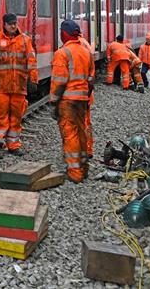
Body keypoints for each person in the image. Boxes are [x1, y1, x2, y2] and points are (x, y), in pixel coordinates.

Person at [0, 13, 38, 159]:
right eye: (10, 24)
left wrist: (33, 80)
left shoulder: (25, 40)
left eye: (15, 23)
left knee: (17, 116)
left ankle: (13, 145)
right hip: (1, 85)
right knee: (1, 115)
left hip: (19, 86)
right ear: (4, 24)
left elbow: (31, 62)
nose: (13, 26)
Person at [51, 20, 95, 183]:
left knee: (69, 134)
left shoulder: (62, 53)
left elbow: (59, 81)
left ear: (64, 33)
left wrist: (54, 102)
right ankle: (84, 168)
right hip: (82, 99)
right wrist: (85, 95)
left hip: (67, 101)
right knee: (81, 131)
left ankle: (74, 172)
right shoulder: (86, 51)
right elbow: (91, 79)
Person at [77, 33, 95, 162]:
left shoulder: (73, 46)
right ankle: (88, 150)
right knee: (86, 122)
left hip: (77, 94)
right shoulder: (86, 44)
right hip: (87, 94)